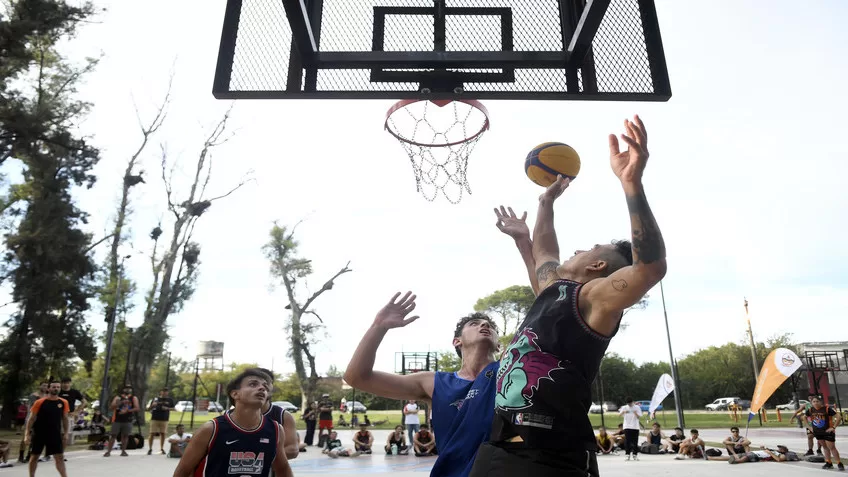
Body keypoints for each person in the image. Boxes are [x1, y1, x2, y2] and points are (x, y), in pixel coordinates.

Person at [469, 115, 666, 477]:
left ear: (598, 266)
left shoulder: (594, 298)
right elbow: (545, 254)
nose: (581, 249)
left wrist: (631, 182)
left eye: (593, 248)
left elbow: (650, 267)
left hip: (549, 458)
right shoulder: (554, 290)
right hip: (499, 447)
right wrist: (546, 203)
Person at [345, 292, 500, 477]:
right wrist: (378, 326)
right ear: (457, 341)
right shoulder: (434, 382)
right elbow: (356, 378)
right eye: (474, 323)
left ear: (498, 345)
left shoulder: (512, 374)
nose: (484, 325)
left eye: (489, 326)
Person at [172, 369, 293, 477]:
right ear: (235, 394)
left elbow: (282, 469)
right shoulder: (211, 429)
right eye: (253, 384)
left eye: (265, 387)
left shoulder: (276, 430)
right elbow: (183, 470)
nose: (262, 388)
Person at [24, 379, 70, 477]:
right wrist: (27, 434)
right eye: (54, 387)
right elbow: (31, 419)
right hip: (39, 433)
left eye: (58, 387)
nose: (56, 389)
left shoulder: (63, 402)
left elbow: (65, 419)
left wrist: (66, 433)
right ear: (49, 388)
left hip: (55, 434)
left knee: (59, 457)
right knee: (34, 456)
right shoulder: (39, 402)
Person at [256, 368, 299, 460]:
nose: (262, 387)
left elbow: (292, 450)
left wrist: (255, 459)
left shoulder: (283, 415)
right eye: (254, 384)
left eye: (266, 383)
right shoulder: (229, 416)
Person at [806, 394, 843, 470]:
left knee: (832, 447)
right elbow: (803, 417)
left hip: (827, 431)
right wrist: (809, 427)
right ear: (812, 403)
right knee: (825, 447)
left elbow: (838, 417)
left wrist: (833, 427)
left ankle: (839, 463)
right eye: (814, 402)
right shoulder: (810, 410)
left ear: (821, 402)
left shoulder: (826, 409)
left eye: (817, 401)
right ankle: (828, 462)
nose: (815, 403)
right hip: (818, 432)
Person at [104, 384, 140, 457]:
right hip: (117, 419)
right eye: (126, 388)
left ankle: (123, 451)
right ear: (123, 389)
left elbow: (137, 408)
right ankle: (108, 451)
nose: (128, 390)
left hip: (128, 419)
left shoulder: (133, 398)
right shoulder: (118, 397)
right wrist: (119, 403)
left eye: (129, 388)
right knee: (113, 435)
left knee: (125, 436)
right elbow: (111, 407)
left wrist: (128, 410)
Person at [148, 387, 175, 455]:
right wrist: (152, 405)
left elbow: (173, 408)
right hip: (155, 418)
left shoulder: (169, 400)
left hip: (164, 419)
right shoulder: (156, 399)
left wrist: (167, 408)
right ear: (160, 392)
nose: (165, 392)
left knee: (163, 433)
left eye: (166, 391)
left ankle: (162, 448)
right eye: (163, 391)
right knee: (152, 433)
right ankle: (150, 448)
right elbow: (149, 408)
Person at [707, 444, 800, 464]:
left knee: (744, 458)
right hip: (754, 452)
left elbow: (779, 460)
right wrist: (764, 449)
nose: (779, 448)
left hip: (757, 456)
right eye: (779, 447)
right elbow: (768, 451)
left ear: (785, 450)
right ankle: (710, 458)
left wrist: (770, 453)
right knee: (730, 456)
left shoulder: (782, 455)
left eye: (781, 448)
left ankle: (736, 461)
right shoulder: (774, 450)